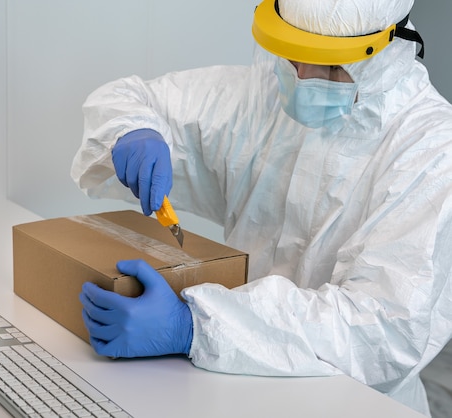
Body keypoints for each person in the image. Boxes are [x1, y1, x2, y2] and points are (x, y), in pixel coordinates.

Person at [70, 0, 452, 415]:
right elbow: (132, 98)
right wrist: (134, 129)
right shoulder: (264, 98)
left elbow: (380, 332)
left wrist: (197, 326)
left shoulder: (431, 150)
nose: (304, 79)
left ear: (385, 58)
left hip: (356, 405)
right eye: (294, 55)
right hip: (231, 380)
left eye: (330, 65)